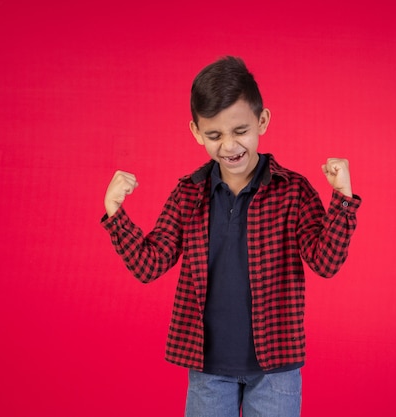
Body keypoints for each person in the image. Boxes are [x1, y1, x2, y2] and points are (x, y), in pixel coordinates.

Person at [101, 56, 361, 417]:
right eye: (214, 135)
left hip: (276, 367)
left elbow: (326, 262)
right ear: (195, 131)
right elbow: (149, 265)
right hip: (208, 367)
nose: (229, 145)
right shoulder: (187, 194)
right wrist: (115, 211)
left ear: (262, 121)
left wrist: (343, 199)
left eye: (240, 131)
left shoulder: (293, 191)